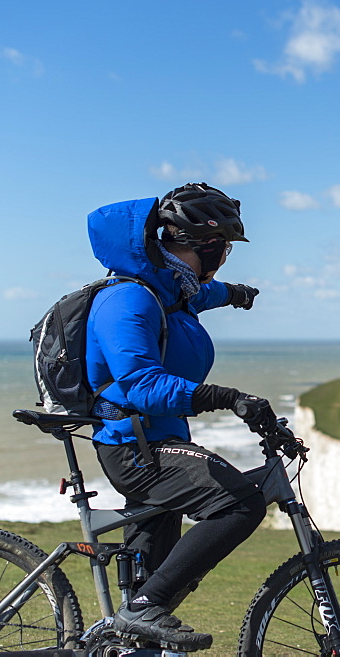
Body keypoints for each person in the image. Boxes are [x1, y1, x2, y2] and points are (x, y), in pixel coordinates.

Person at [85, 182, 275, 651]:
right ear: (201, 246)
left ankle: (136, 620)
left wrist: (235, 294)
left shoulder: (170, 289)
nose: (226, 257)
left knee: (148, 594)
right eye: (224, 248)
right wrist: (227, 397)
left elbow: (198, 294)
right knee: (240, 503)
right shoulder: (127, 301)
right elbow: (141, 386)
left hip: (157, 443)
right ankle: (144, 608)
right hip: (134, 451)